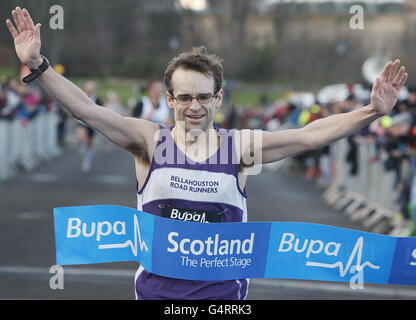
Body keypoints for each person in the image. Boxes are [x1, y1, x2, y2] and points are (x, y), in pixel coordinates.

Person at [6, 7, 408, 300]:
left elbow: (308, 137)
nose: (193, 106)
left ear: (218, 98)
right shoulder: (149, 141)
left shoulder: (239, 148)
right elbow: (86, 110)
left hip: (222, 303)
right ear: (170, 99)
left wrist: (371, 110)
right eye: (184, 97)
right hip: (156, 299)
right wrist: (38, 64)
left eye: (202, 97)